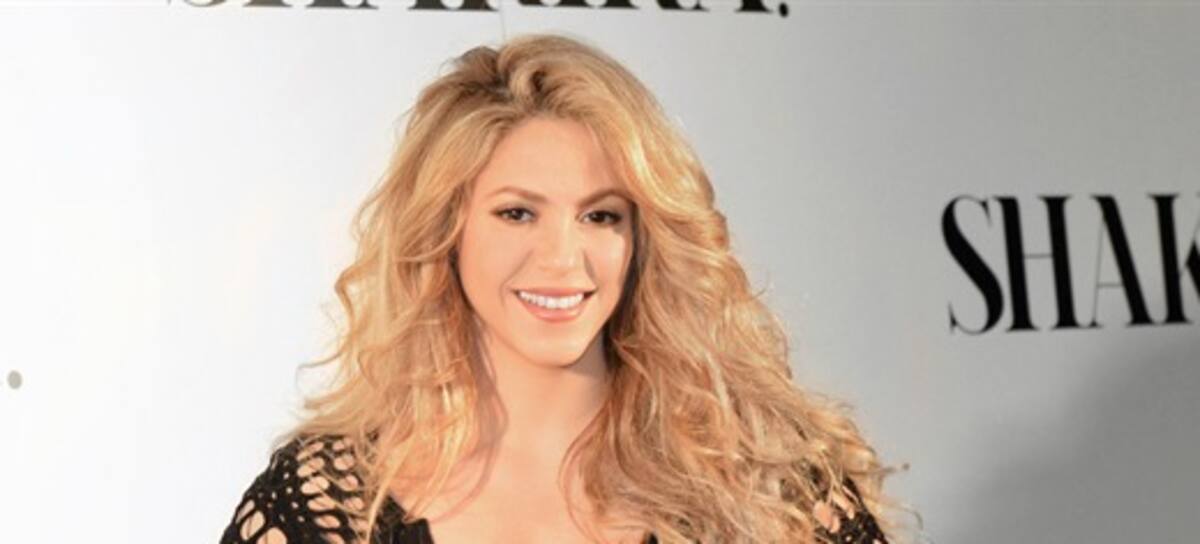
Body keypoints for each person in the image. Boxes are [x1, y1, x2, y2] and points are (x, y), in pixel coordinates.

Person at [220, 33, 904, 544]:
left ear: (640, 238)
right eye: (518, 213)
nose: (562, 259)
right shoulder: (331, 503)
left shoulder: (772, 490)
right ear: (445, 231)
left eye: (600, 216)